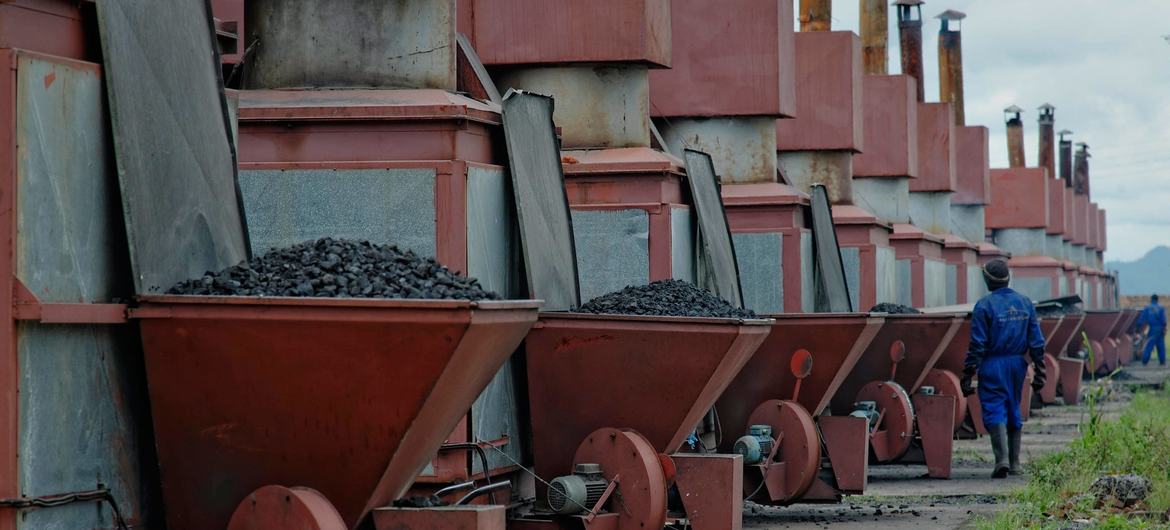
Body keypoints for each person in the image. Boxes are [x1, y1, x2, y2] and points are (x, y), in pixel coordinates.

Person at [960, 259, 1046, 478]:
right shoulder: (1025, 303)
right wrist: (1040, 370)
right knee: (1013, 406)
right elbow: (1036, 341)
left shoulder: (984, 306)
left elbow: (978, 343)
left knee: (993, 407)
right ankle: (1015, 463)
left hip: (992, 364)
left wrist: (968, 372)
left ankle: (1001, 460)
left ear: (987, 280)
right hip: (1018, 365)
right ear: (1008, 278)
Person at [1138, 294, 1166, 366]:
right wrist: (1164, 328)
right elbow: (1163, 320)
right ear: (1157, 299)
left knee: (1149, 344)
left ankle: (1145, 360)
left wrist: (1138, 326)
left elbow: (1142, 318)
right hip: (1160, 328)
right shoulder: (1161, 308)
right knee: (1161, 345)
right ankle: (1162, 361)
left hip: (1152, 328)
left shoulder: (1147, 308)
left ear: (1151, 299)